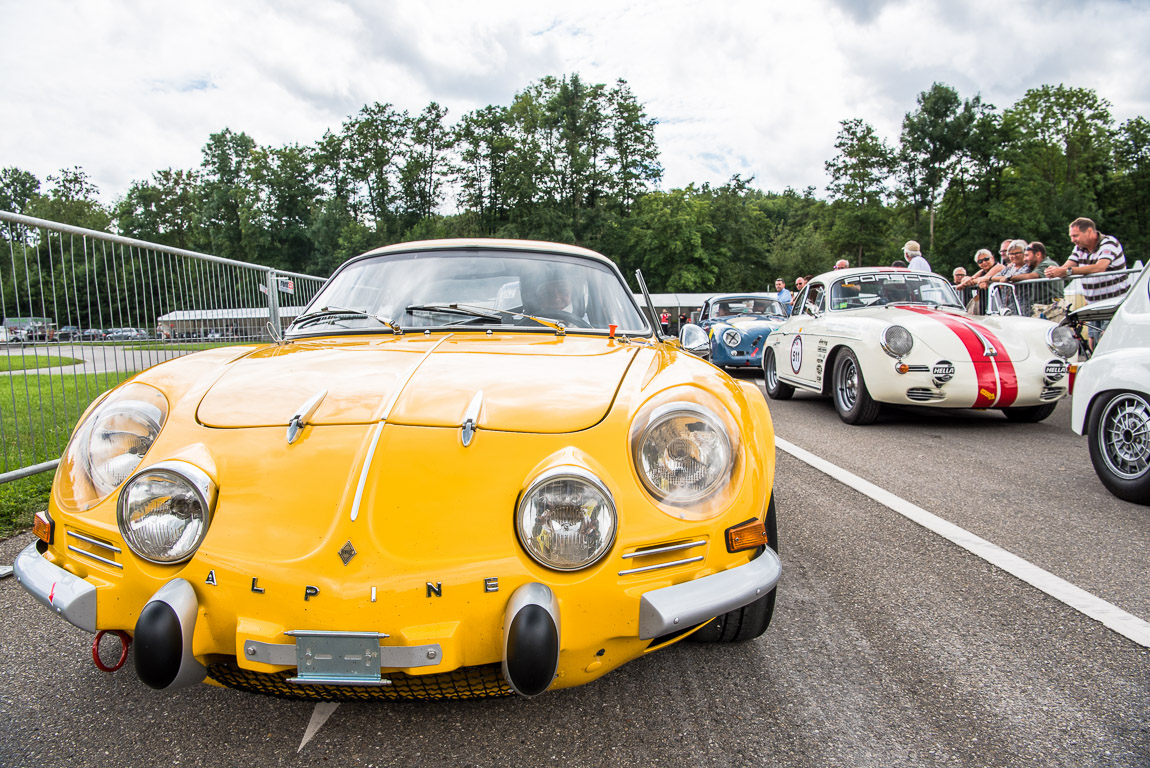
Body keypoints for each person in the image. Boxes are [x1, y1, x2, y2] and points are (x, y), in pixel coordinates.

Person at [1045, 217, 1131, 302]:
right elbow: (1066, 267)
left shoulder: (1109, 242)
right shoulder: (1079, 248)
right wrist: (1054, 271)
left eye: (1075, 236)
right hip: (1093, 304)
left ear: (1089, 231)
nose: (1072, 240)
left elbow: (1099, 268)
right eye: (1071, 236)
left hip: (1116, 301)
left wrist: (1067, 271)